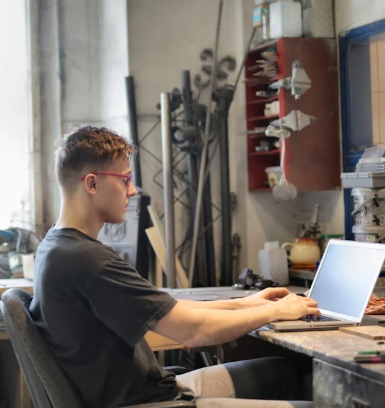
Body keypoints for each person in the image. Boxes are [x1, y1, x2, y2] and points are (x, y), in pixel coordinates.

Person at [30, 126, 318, 408]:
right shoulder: (86, 260)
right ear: (92, 184)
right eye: (124, 180)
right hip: (154, 403)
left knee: (283, 371)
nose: (132, 191)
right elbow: (193, 331)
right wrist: (275, 311)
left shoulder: (57, 248)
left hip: (155, 390)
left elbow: (170, 309)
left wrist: (247, 303)